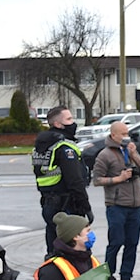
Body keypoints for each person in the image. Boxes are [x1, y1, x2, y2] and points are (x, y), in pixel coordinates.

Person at [91, 121, 140, 280]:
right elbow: (97, 180)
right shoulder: (105, 155)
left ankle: (126, 278)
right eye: (123, 133)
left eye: (127, 133)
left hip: (135, 204)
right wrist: (119, 178)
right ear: (114, 134)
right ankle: (108, 276)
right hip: (116, 205)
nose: (126, 136)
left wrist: (134, 154)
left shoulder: (129, 150)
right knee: (116, 242)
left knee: (132, 243)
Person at [31, 105, 93, 258]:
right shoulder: (64, 147)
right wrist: (85, 207)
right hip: (66, 203)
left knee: (53, 245)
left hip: (49, 202)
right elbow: (75, 181)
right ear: (58, 124)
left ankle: (52, 276)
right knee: (72, 250)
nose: (73, 123)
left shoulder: (42, 146)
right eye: (69, 119)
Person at [35, 213, 99, 280]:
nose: (92, 234)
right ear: (76, 236)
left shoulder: (92, 260)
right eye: (87, 231)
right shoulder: (52, 271)